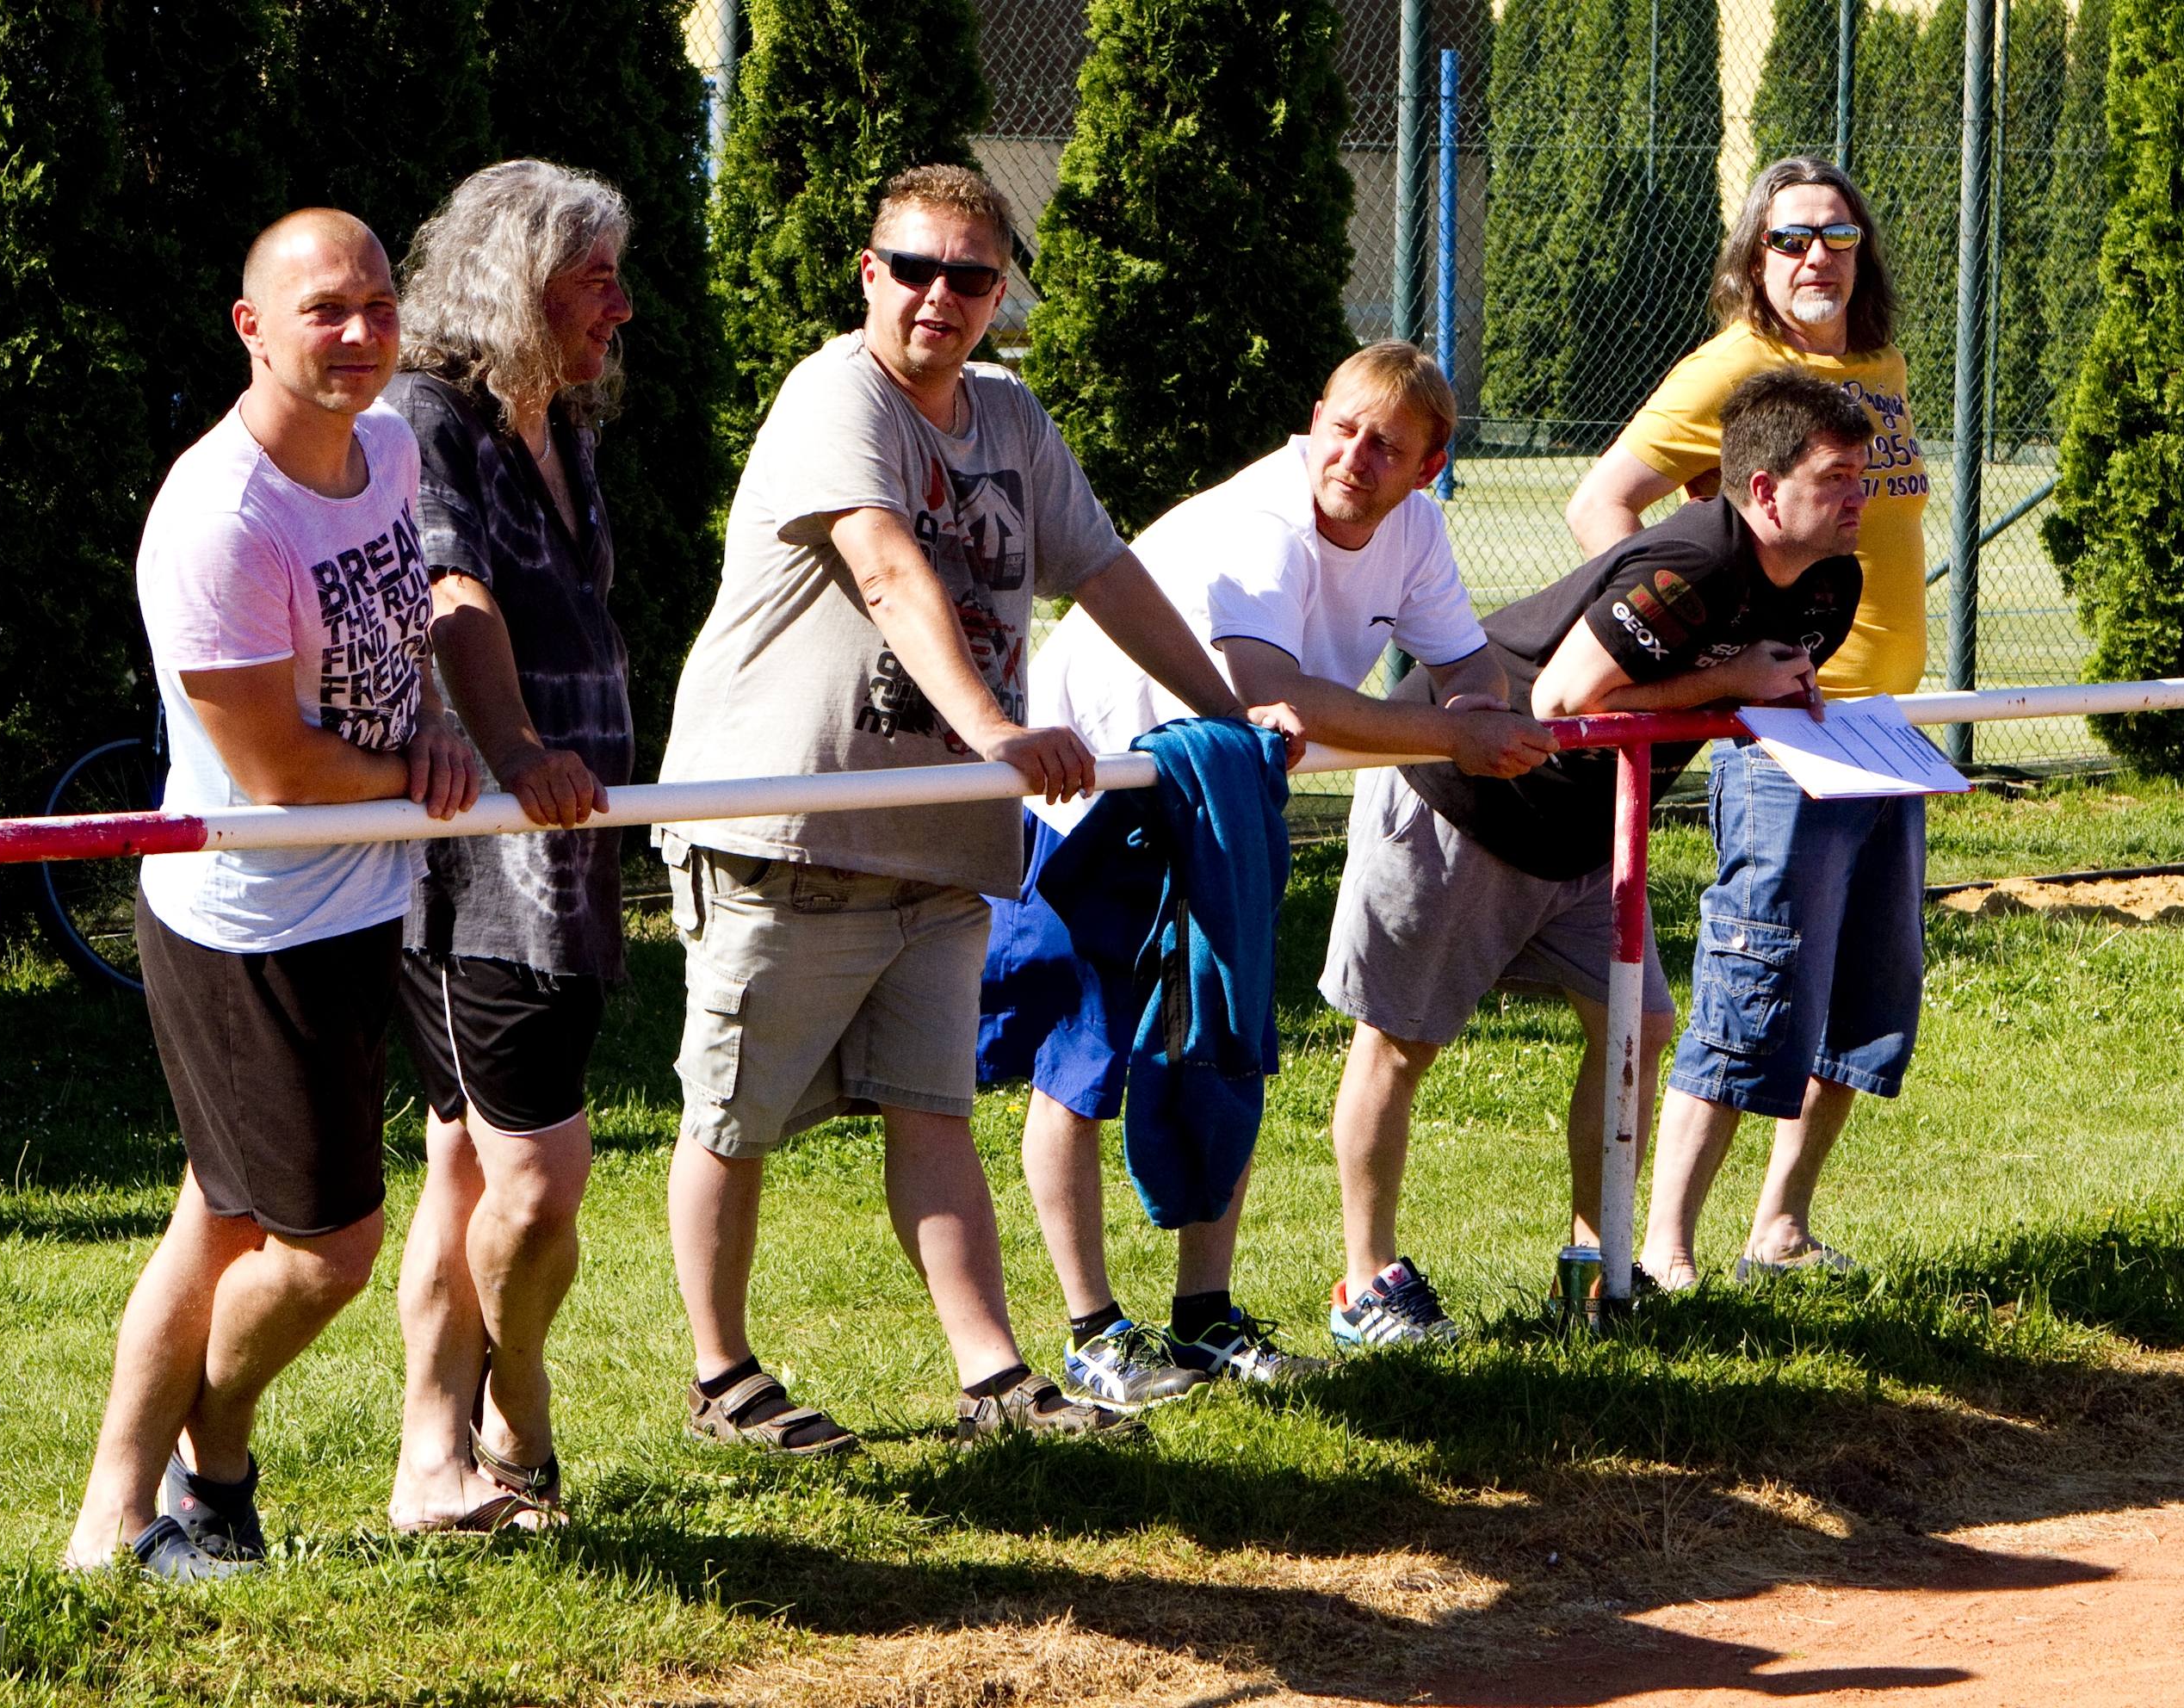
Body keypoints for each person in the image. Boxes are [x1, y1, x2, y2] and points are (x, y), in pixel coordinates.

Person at [653, 164, 1300, 1451]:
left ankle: (993, 1377)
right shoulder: (833, 394)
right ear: (867, 275)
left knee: (932, 1110)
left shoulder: (1008, 416)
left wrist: (1217, 711)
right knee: (734, 1115)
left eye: (969, 277)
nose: (936, 297)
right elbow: (889, 570)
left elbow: (1106, 572)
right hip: (796, 826)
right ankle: (722, 1381)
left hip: (945, 838)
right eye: (911, 268)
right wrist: (1000, 731)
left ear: (1000, 296)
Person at [980, 342, 1557, 1404]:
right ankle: (1093, 1331)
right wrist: (1446, 736)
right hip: (1094, 781)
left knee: (1221, 1038)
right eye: (1340, 428)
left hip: (1216, 795)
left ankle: (1203, 1319)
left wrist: (1475, 710)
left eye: (1387, 446)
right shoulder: (1268, 523)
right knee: (1085, 1056)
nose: (1355, 457)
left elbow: (1468, 664)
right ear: (1312, 419)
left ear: (1428, 468)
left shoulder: (1416, 526)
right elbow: (1260, 684)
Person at [63, 210, 478, 1578]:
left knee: (219, 1211)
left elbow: (391, 643)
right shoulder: (218, 517)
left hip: (357, 896)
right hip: (251, 921)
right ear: (252, 327)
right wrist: (412, 775)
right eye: (322, 312)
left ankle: (112, 1520)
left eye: (375, 305)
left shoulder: (390, 448)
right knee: (328, 1248)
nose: (359, 334)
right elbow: (276, 768)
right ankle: (209, 1465)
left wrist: (437, 730)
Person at [1325, 368, 1870, 1345]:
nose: (1857, 498)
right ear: (1760, 492)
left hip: (1583, 820)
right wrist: (1731, 679)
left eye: (1858, 476)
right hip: (1467, 785)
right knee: (1400, 1040)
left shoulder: (1830, 582)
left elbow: (1747, 698)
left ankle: (1594, 1267)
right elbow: (1562, 699)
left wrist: (1760, 699)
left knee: (1638, 1025)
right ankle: (1366, 1284)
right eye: (1834, 478)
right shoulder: (1693, 562)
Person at [1565, 158, 1929, 1290]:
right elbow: (1600, 504)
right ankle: (1664, 1249)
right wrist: (1708, 654)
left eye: (1834, 235)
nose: (1813, 257)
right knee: (1752, 983)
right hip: (1780, 736)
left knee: (1868, 998)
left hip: (1888, 723)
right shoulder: (1731, 369)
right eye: (1786, 240)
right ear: (1750, 260)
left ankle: (1777, 1225)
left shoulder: (1876, 366)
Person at [379, 161, 636, 1532]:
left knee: (470, 1166)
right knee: (535, 1176)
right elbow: (451, 593)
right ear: (514, 280)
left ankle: (437, 1460)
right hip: (481, 856)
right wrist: (521, 754)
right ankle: (512, 1417)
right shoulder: (430, 414)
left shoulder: (558, 421)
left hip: (566, 852)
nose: (623, 306)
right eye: (594, 277)